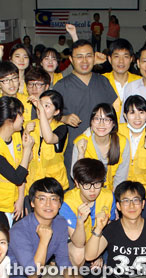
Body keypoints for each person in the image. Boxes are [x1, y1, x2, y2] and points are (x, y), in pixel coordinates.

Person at [8, 178, 82, 278]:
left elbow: (62, 260)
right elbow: (33, 275)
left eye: (54, 199)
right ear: (32, 203)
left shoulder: (60, 222)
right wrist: (44, 239)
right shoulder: (19, 230)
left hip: (36, 277)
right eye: (42, 199)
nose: (48, 204)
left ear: (60, 204)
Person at [53, 39, 118, 183]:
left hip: (103, 149)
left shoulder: (103, 82)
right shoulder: (62, 86)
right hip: (75, 149)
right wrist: (63, 118)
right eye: (79, 56)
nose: (84, 60)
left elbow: (115, 112)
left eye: (88, 55)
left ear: (95, 57)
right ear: (71, 59)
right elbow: (47, 115)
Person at [0, 97, 34, 228]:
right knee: (4, 239)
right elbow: (17, 176)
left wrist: (21, 199)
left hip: (16, 200)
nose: (23, 118)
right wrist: (27, 150)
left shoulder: (16, 136)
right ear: (9, 120)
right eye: (20, 114)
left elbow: (23, 169)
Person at [60, 158, 117, 270]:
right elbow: (78, 243)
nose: (92, 190)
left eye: (97, 184)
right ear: (77, 183)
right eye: (86, 185)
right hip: (76, 241)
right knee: (78, 254)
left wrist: (98, 253)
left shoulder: (108, 196)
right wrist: (80, 222)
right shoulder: (67, 202)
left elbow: (109, 229)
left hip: (98, 238)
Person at [72, 103, 130, 191]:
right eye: (97, 119)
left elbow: (121, 178)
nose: (101, 124)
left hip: (110, 193)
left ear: (114, 123)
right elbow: (75, 175)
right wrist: (81, 154)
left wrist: (112, 199)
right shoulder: (81, 142)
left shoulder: (122, 142)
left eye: (107, 119)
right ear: (91, 122)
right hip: (86, 192)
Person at [25, 90, 69, 194]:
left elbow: (49, 139)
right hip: (32, 184)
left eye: (47, 106)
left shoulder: (61, 127)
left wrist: (41, 109)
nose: (41, 108)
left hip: (55, 185)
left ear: (56, 111)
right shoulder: (29, 125)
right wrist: (26, 132)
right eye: (40, 104)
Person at [101, 39, 141, 117]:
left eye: (125, 56)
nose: (121, 61)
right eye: (116, 56)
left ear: (131, 59)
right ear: (110, 59)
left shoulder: (139, 81)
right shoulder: (101, 80)